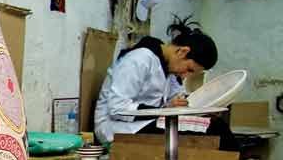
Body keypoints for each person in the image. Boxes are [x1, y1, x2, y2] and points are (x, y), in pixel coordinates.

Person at [94, 18, 235, 149]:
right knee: (211, 129)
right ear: (182, 51)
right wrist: (163, 110)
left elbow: (174, 100)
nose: (186, 75)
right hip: (116, 127)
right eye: (189, 69)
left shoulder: (170, 69)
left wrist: (179, 105)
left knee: (216, 125)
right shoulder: (139, 59)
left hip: (146, 122)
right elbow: (117, 108)